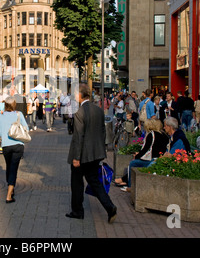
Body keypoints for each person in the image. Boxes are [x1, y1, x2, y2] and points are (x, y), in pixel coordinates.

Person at [66, 84, 117, 223]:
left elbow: (78, 136)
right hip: (95, 154)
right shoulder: (99, 110)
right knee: (95, 182)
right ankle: (110, 206)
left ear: (79, 95)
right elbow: (102, 132)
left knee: (77, 183)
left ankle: (77, 211)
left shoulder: (79, 111)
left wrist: (76, 158)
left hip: (82, 155)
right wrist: (101, 150)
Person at [114, 119, 169, 191]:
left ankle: (130, 185)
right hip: (158, 158)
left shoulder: (151, 135)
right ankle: (124, 180)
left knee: (133, 163)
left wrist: (137, 156)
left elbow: (146, 149)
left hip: (151, 159)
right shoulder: (164, 135)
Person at [0, 96, 29, 203]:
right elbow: (26, 129)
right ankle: (9, 195)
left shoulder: (1, 116)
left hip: (6, 146)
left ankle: (10, 187)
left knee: (9, 166)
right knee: (14, 168)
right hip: (18, 144)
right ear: (14, 104)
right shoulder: (19, 114)